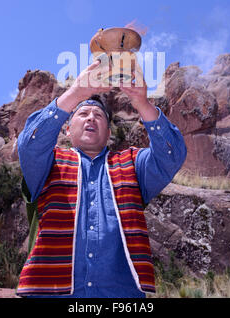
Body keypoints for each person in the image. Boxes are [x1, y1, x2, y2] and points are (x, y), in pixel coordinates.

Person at [16, 59, 187, 298]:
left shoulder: (133, 163)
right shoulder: (48, 162)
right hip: (49, 292)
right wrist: (75, 93)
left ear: (108, 133)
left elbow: (173, 155)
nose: (90, 118)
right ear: (67, 129)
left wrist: (142, 104)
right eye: (82, 113)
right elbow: (29, 145)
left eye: (98, 115)